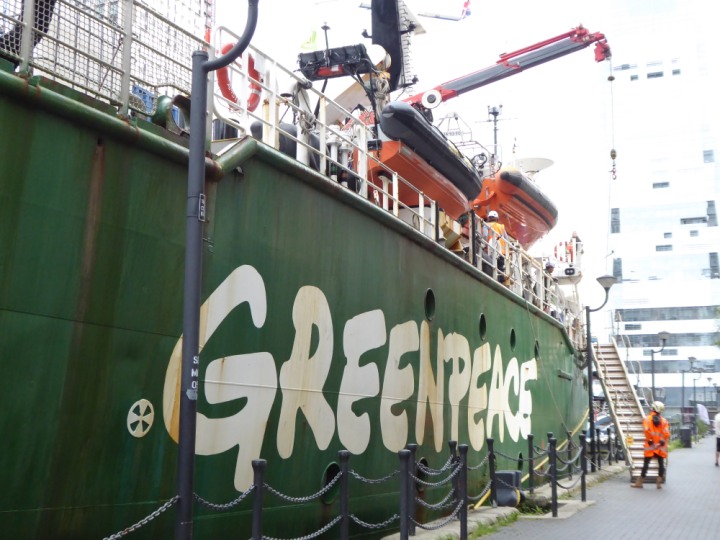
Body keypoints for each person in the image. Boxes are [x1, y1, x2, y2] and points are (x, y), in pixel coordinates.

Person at [632, 401, 670, 489]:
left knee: (646, 463)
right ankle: (659, 482)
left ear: (653, 408)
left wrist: (651, 441)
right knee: (661, 463)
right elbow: (666, 433)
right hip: (660, 446)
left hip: (650, 445)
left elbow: (646, 431)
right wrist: (660, 442)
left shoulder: (647, 419)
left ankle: (640, 482)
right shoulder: (664, 421)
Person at [483, 210, 508, 283]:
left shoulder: (486, 225)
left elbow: (485, 235)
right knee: (500, 268)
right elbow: (506, 239)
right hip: (501, 252)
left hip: (491, 250)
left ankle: (492, 279)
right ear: (497, 219)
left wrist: (483, 244)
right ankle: (501, 280)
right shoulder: (501, 227)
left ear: (489, 218)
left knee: (491, 266)